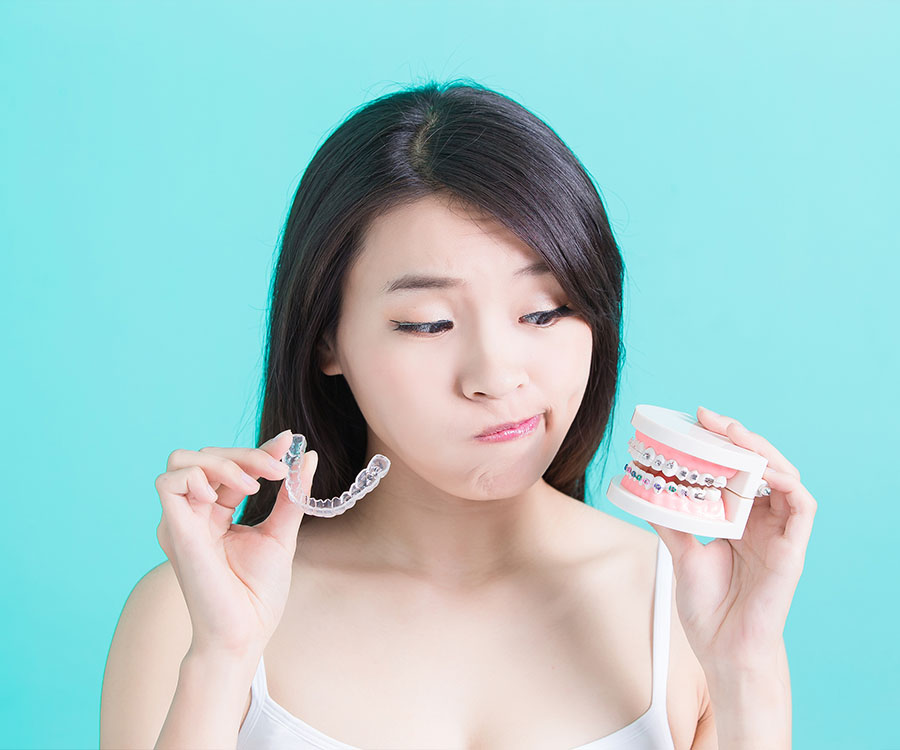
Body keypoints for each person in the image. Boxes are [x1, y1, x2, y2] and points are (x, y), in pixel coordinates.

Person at [100, 80, 816, 749]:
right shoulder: (193, 614)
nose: (496, 376)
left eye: (544, 311)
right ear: (327, 339)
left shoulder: (692, 614)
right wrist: (223, 657)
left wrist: (745, 665)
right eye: (427, 323)